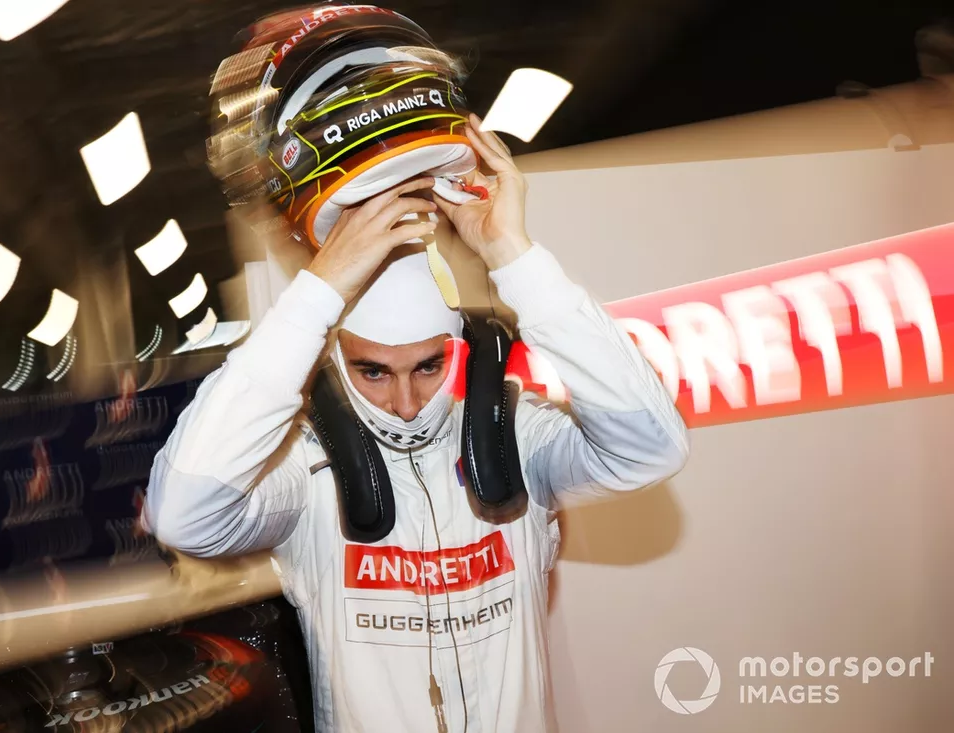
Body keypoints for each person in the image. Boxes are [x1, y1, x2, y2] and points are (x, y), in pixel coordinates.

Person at [144, 114, 690, 733]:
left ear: (461, 351)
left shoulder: (518, 440)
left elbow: (653, 449)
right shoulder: (303, 470)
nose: (405, 402)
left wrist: (512, 253)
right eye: (373, 371)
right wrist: (317, 292)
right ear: (335, 364)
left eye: (428, 366)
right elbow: (182, 515)